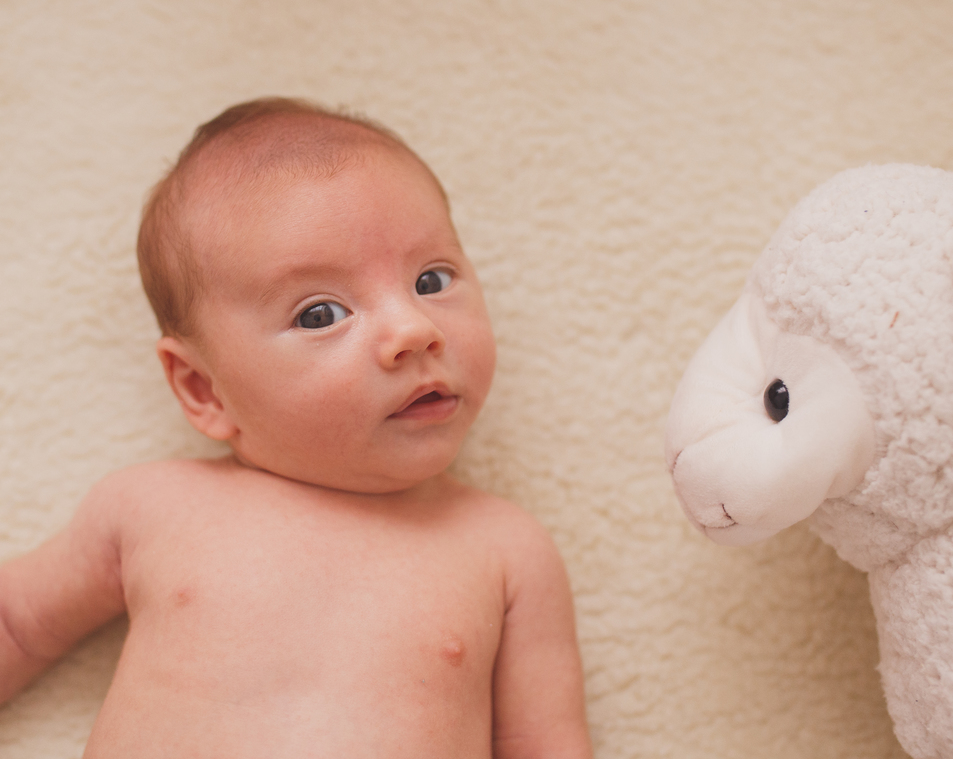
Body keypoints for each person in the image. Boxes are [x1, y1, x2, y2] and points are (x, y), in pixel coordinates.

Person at [0, 97, 592, 758]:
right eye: (320, 315)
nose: (414, 329)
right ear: (203, 388)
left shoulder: (506, 550)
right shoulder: (150, 507)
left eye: (431, 279)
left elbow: (543, 741)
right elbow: (16, 624)